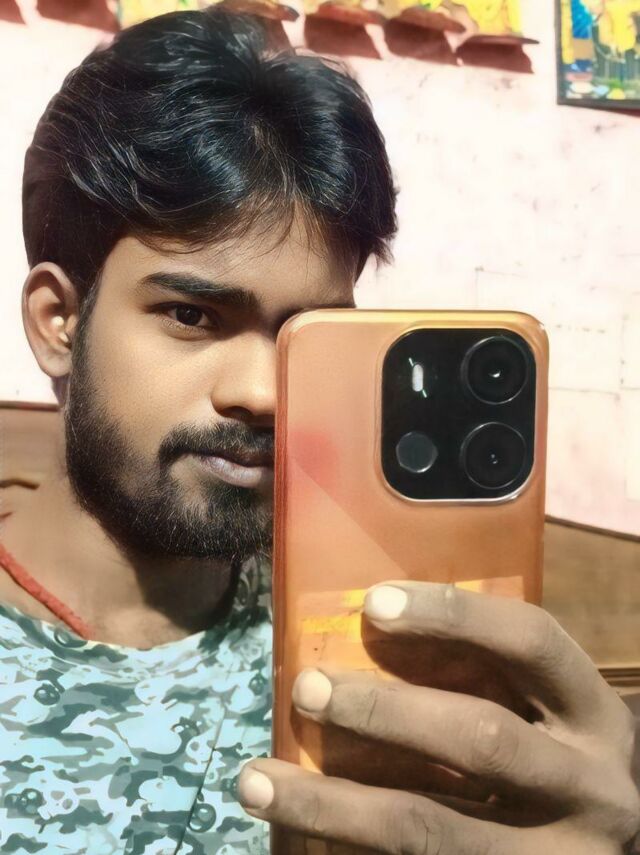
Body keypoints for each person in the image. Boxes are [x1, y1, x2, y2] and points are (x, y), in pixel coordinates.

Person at [0, 6, 637, 854]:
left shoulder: (378, 639)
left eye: (306, 333)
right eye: (192, 314)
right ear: (58, 321)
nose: (266, 392)